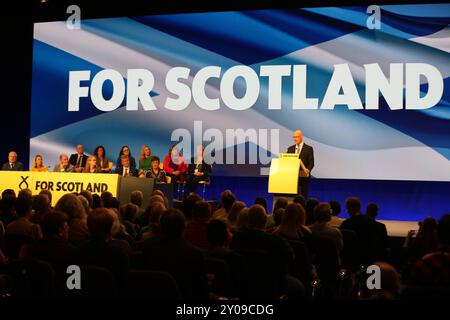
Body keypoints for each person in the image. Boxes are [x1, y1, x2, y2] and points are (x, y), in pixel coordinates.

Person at [142, 208, 209, 299]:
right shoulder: (195, 254)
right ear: (184, 228)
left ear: (161, 227)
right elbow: (201, 291)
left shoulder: (148, 247)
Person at [340, 197, 376, 265]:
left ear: (350, 208)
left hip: (350, 260)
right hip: (368, 258)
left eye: (347, 208)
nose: (347, 211)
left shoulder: (346, 224)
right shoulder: (371, 222)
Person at [287, 130, 314, 199]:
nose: (295, 139)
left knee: (303, 197)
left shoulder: (308, 148)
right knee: (293, 197)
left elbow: (311, 162)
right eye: (294, 137)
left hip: (304, 177)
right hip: (292, 177)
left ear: (301, 137)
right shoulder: (290, 149)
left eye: (297, 137)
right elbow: (287, 162)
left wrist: (308, 169)